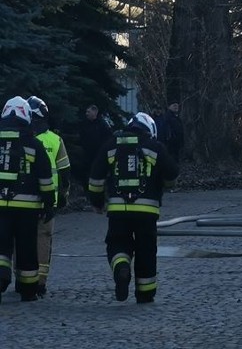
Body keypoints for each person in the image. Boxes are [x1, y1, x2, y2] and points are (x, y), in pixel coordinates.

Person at [87, 112, 178, 304]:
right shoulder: (155, 147)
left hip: (118, 211)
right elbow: (172, 174)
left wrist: (97, 202)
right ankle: (145, 293)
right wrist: (163, 183)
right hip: (147, 212)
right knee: (146, 250)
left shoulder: (111, 145)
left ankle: (121, 267)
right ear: (149, 130)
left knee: (117, 242)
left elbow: (95, 178)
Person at [0, 96, 55, 303]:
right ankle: (28, 290)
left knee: (1, 243)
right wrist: (49, 204)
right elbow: (45, 179)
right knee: (26, 248)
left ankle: (2, 274)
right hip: (28, 208)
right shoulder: (33, 143)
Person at [23, 96, 71, 297]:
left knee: (22, 239)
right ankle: (40, 283)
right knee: (43, 239)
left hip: (23, 199)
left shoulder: (23, 140)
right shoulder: (55, 140)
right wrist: (63, 196)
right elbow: (65, 171)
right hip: (47, 201)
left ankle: (22, 280)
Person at [77, 104, 112, 185]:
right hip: (87, 155)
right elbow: (82, 137)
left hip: (99, 155)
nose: (86, 113)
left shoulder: (102, 124)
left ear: (95, 112)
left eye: (88, 111)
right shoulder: (85, 124)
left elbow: (108, 139)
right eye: (86, 112)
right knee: (86, 174)